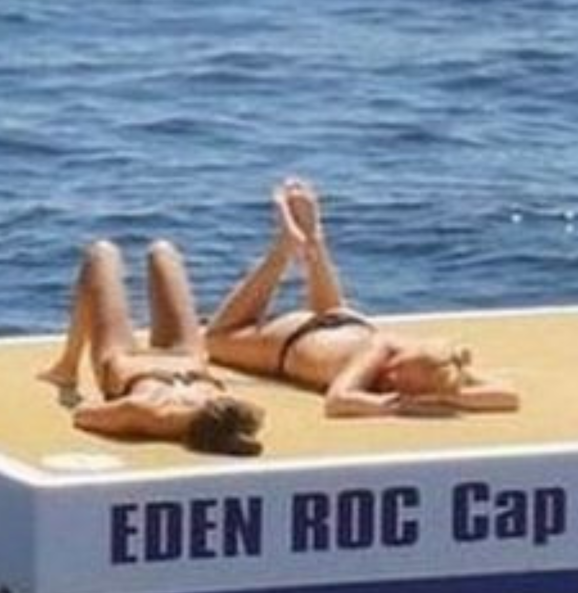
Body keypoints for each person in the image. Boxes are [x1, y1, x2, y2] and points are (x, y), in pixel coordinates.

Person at [205, 178, 521, 418]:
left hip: (341, 321)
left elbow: (508, 395)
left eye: (396, 382)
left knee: (329, 310)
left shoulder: (439, 368)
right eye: (393, 373)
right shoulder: (381, 350)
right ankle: (283, 251)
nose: (389, 377)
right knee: (216, 338)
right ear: (400, 358)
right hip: (292, 340)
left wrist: (449, 398)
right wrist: (397, 405)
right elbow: (338, 401)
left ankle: (315, 242)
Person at [37, 239, 265, 456]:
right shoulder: (150, 412)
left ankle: (67, 366)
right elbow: (84, 415)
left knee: (156, 251)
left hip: (182, 359)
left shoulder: (219, 407)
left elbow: (83, 416)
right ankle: (66, 369)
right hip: (135, 364)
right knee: (103, 255)